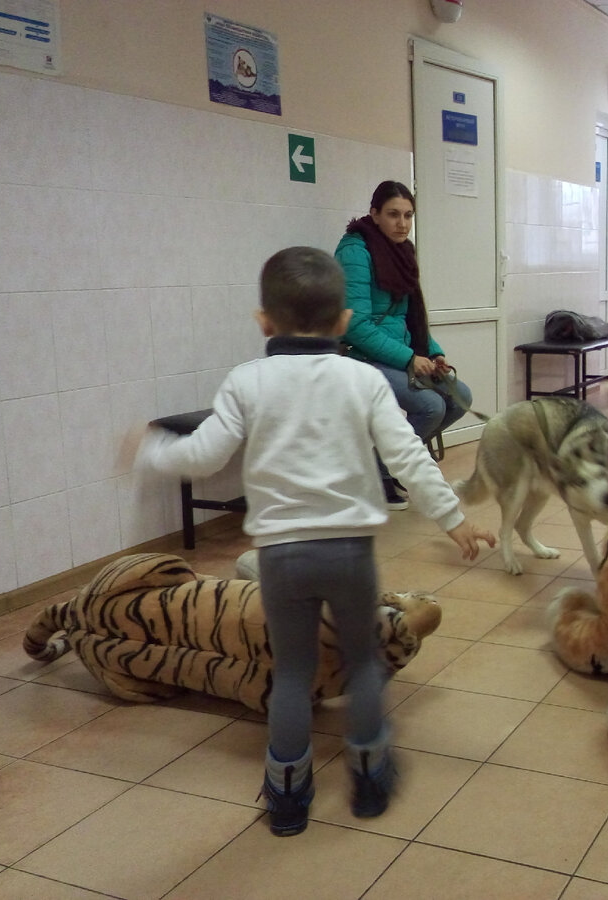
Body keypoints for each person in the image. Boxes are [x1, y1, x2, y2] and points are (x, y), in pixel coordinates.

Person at [132, 246, 494, 836]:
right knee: (363, 663)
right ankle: (370, 776)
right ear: (345, 321)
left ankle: (287, 792)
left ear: (264, 321)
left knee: (294, 673)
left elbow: (202, 455)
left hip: (281, 556)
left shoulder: (246, 381)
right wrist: (455, 521)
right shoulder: (363, 379)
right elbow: (408, 456)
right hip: (349, 552)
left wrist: (148, 451)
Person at [335, 180, 473, 510]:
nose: (402, 223)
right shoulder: (355, 250)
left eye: (408, 215)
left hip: (394, 352)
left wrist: (433, 351)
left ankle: (391, 462)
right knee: (431, 406)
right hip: (357, 355)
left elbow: (411, 317)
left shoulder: (402, 250)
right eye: (393, 214)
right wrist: (410, 358)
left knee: (460, 398)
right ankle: (381, 470)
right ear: (374, 214)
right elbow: (355, 325)